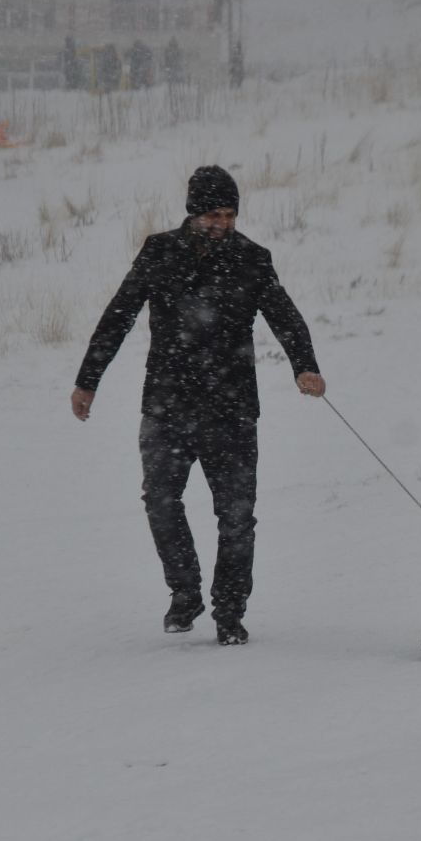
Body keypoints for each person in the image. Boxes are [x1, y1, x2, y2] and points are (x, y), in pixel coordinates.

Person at [70, 166, 326, 645]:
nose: (222, 224)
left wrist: (304, 366)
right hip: (168, 405)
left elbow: (284, 315)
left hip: (232, 410)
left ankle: (230, 611)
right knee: (161, 502)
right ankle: (184, 592)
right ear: (193, 213)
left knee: (236, 516)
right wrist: (88, 382)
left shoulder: (253, 259)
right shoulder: (160, 252)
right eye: (213, 214)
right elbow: (118, 315)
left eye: (229, 215)